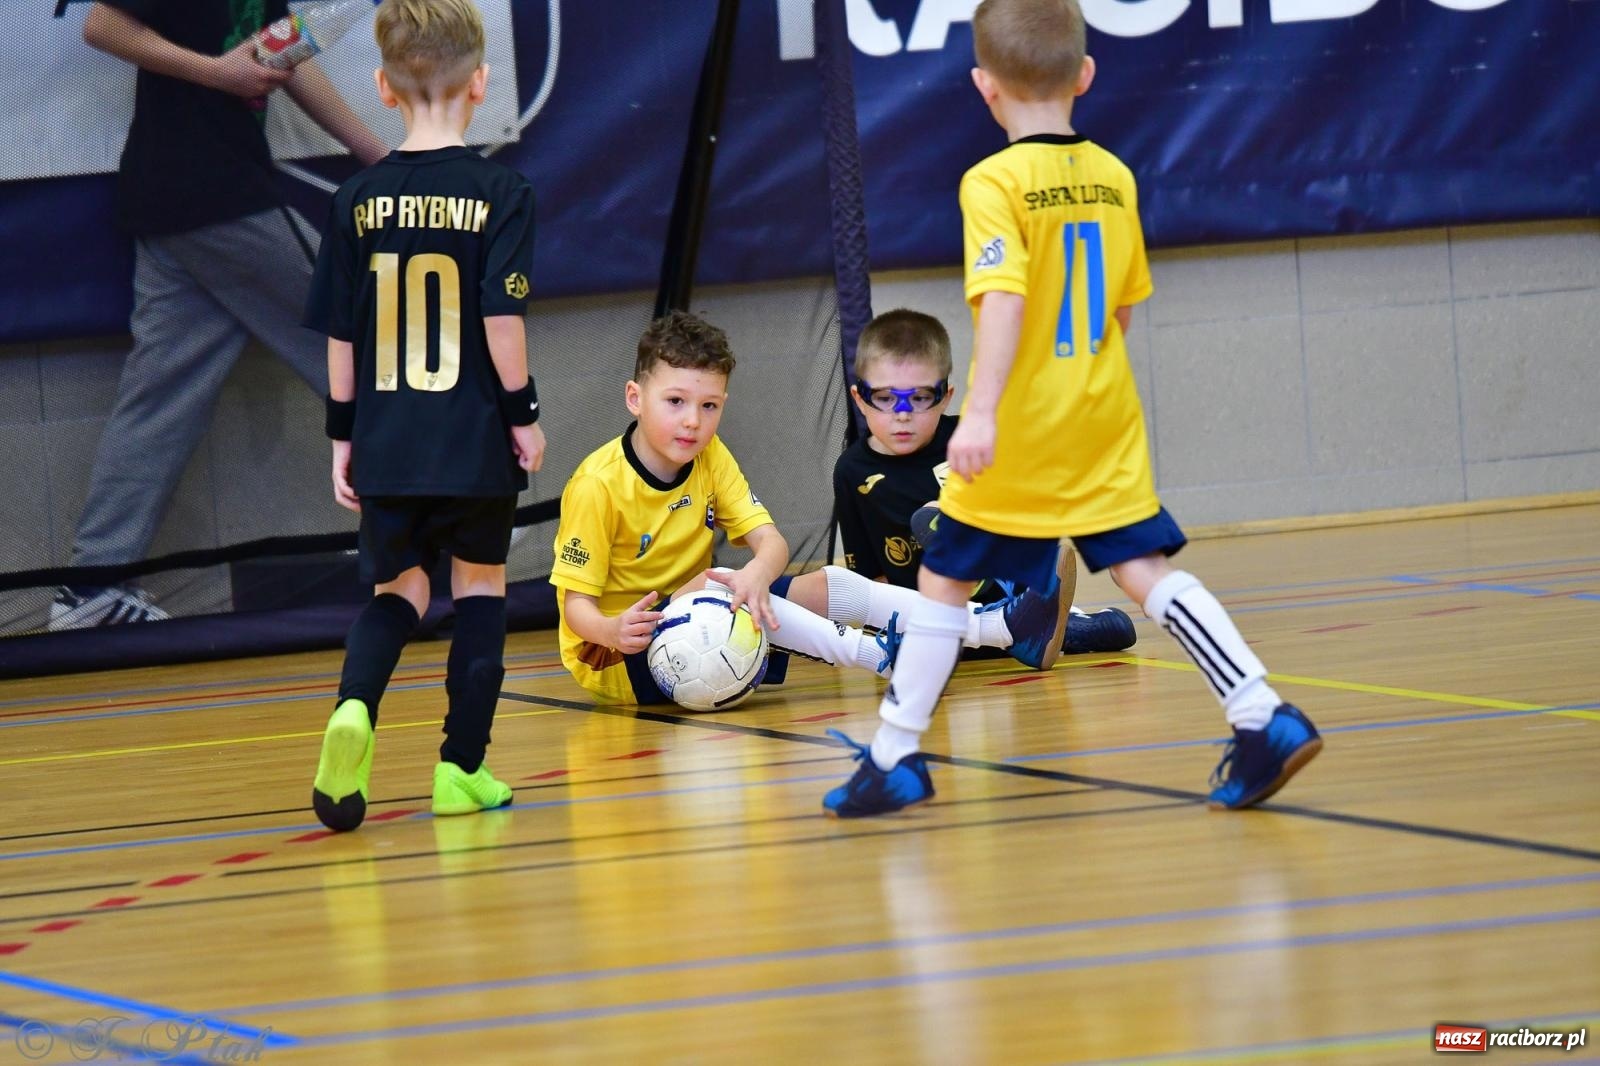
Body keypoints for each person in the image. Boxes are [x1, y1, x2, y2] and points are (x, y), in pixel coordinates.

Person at [823, 0, 1320, 818]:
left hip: (1026, 423)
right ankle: (1262, 713)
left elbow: (1004, 300)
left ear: (984, 85)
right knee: (1143, 571)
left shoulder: (992, 182)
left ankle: (895, 757)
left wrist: (983, 413)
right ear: (1085, 74)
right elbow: (1122, 308)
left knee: (943, 575)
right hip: (1106, 415)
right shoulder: (1116, 176)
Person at [51, 0, 389, 630]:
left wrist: (379, 157)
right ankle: (441, 531)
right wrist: (216, 73)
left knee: (160, 400)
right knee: (365, 346)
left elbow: (286, 56)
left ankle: (91, 587)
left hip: (175, 205)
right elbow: (102, 24)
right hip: (214, 195)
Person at [548, 310, 1072, 707]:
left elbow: (771, 543)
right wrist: (614, 631)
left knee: (824, 582)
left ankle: (1000, 627)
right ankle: (884, 657)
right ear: (635, 398)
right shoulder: (597, 486)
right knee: (722, 584)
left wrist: (757, 574)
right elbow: (576, 611)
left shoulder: (710, 455)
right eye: (675, 402)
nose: (693, 421)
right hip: (618, 654)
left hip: (705, 616)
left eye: (709, 406)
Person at [302, 0, 546, 830]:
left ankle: (354, 709)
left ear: (382, 87)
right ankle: (460, 769)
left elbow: (341, 334)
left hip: (388, 440)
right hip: (473, 438)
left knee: (398, 590)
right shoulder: (503, 192)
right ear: (480, 84)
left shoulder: (355, 200)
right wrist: (523, 414)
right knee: (479, 588)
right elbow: (501, 319)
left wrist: (342, 436)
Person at [814, 307, 1137, 659]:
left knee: (1116, 626)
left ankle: (1026, 615)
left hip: (1006, 593)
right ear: (860, 399)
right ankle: (1037, 630)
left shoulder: (972, 439)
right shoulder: (851, 471)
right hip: (930, 615)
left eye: (919, 398)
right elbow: (868, 576)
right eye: (885, 398)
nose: (902, 414)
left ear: (946, 396)